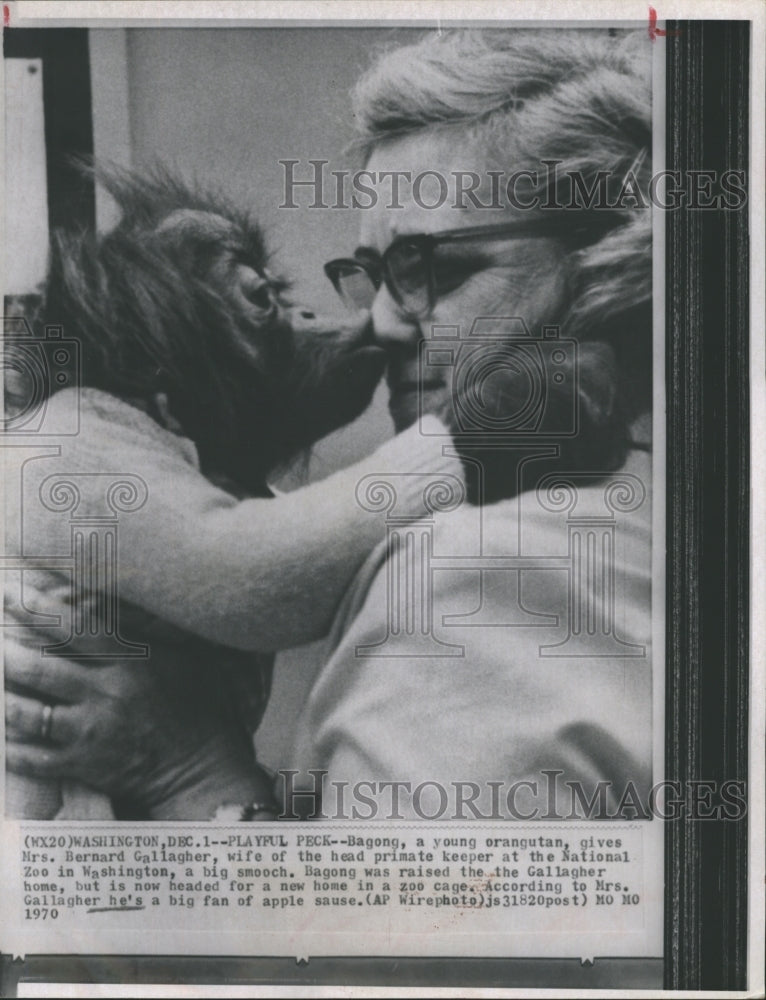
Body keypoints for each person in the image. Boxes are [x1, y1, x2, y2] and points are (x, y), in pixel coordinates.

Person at [5, 28, 653, 820]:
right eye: (376, 277)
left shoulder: (480, 569)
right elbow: (248, 573)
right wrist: (468, 443)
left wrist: (194, 780)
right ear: (160, 382)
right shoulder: (64, 443)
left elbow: (390, 934)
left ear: (610, 258)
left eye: (430, 269)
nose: (376, 325)